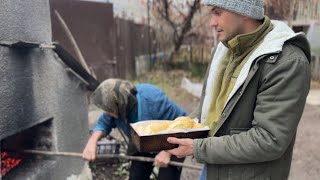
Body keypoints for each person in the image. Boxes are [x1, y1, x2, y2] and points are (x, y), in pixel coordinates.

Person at [165, 0, 311, 179]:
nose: (212, 22)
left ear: (244, 11)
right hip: (213, 167)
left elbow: (269, 139)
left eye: (217, 12)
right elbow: (209, 108)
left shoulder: (286, 62)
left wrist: (198, 148)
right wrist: (179, 127)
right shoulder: (224, 50)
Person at [82, 78, 186, 180]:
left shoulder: (153, 100)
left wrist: (167, 152)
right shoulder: (117, 106)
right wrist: (92, 142)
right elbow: (103, 123)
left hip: (171, 143)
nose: (107, 113)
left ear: (119, 105)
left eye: (108, 110)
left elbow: (183, 124)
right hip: (143, 143)